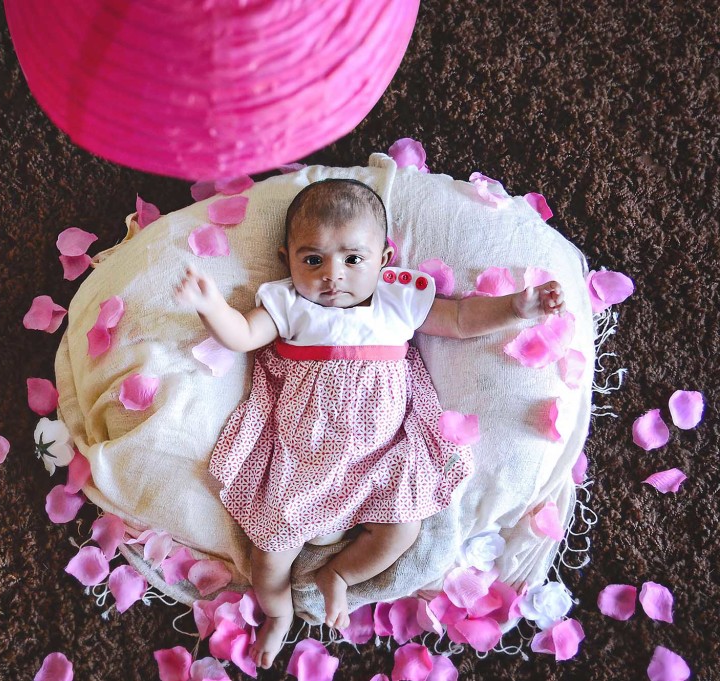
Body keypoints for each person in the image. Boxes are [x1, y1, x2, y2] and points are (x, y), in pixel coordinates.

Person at [173, 178, 566, 669]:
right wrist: (212, 307)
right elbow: (242, 335)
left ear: (384, 258)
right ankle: (277, 614)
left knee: (402, 528)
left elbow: (462, 318)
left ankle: (338, 575)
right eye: (312, 259)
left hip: (380, 456)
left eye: (352, 259)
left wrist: (516, 308)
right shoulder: (289, 305)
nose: (332, 275)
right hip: (303, 459)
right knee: (269, 553)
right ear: (287, 258)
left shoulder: (397, 300)